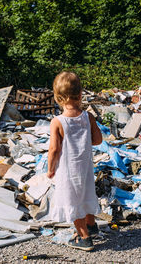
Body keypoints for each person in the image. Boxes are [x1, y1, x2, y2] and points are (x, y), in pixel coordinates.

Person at [47, 71, 103, 251]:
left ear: (58, 97)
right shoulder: (88, 117)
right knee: (86, 194)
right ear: (80, 95)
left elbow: (54, 149)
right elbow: (98, 140)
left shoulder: (58, 121)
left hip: (68, 170)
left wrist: (50, 169)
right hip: (85, 168)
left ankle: (84, 237)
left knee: (72, 201)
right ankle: (92, 226)